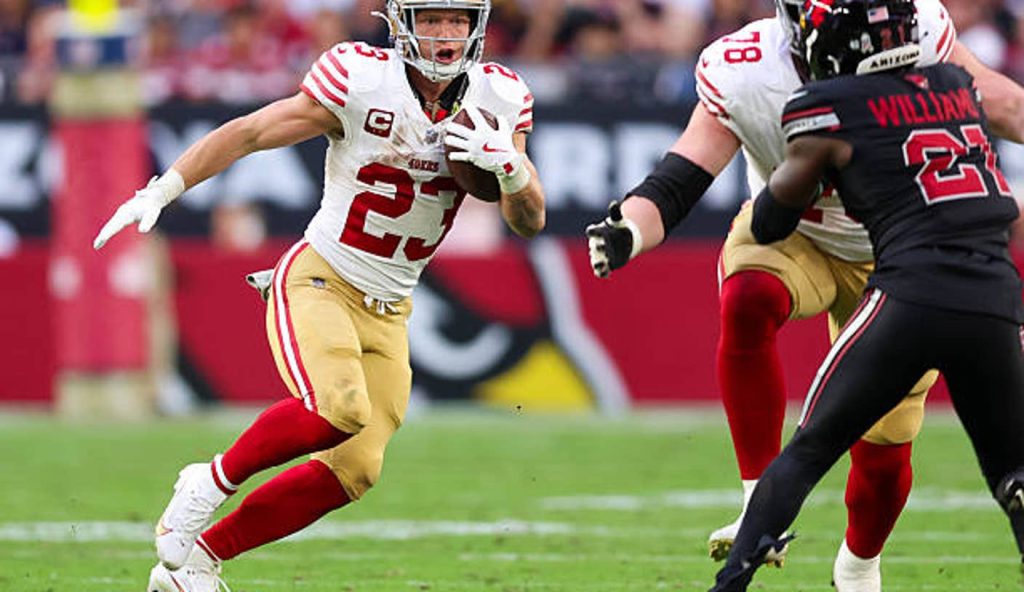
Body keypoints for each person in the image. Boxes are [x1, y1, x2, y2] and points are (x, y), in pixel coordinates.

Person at [93, 1, 544, 590]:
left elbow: (529, 220)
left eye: (456, 20)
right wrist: (167, 186)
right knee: (340, 407)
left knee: (356, 469)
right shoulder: (361, 79)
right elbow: (254, 131)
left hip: (392, 308)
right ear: (402, 22)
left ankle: (197, 564)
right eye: (431, 19)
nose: (445, 34)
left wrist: (512, 172)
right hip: (322, 278)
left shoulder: (501, 97)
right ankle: (208, 480)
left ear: (476, 25)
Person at [585, 0, 1024, 587]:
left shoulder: (910, 46)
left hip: (892, 259)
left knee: (883, 451)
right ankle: (753, 493)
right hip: (815, 238)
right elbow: (682, 177)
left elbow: (1004, 101)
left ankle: (859, 563)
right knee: (749, 297)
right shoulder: (749, 68)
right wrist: (629, 230)